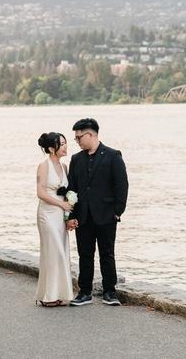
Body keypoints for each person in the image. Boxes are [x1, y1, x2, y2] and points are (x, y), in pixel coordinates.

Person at [65, 117, 128, 306]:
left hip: (107, 214)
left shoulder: (113, 156)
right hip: (83, 215)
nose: (77, 141)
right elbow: (72, 189)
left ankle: (110, 292)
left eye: (79, 137)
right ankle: (84, 292)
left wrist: (118, 211)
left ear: (91, 134)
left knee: (107, 253)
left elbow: (122, 186)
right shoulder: (76, 159)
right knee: (85, 254)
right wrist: (71, 216)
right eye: (76, 138)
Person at [34, 132, 74, 307]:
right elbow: (41, 193)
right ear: (51, 148)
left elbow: (67, 194)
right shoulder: (44, 166)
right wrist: (61, 204)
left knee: (62, 253)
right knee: (52, 252)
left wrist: (68, 217)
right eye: (62, 144)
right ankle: (47, 296)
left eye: (66, 143)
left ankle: (58, 294)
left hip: (60, 216)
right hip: (47, 214)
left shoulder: (64, 167)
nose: (65, 146)